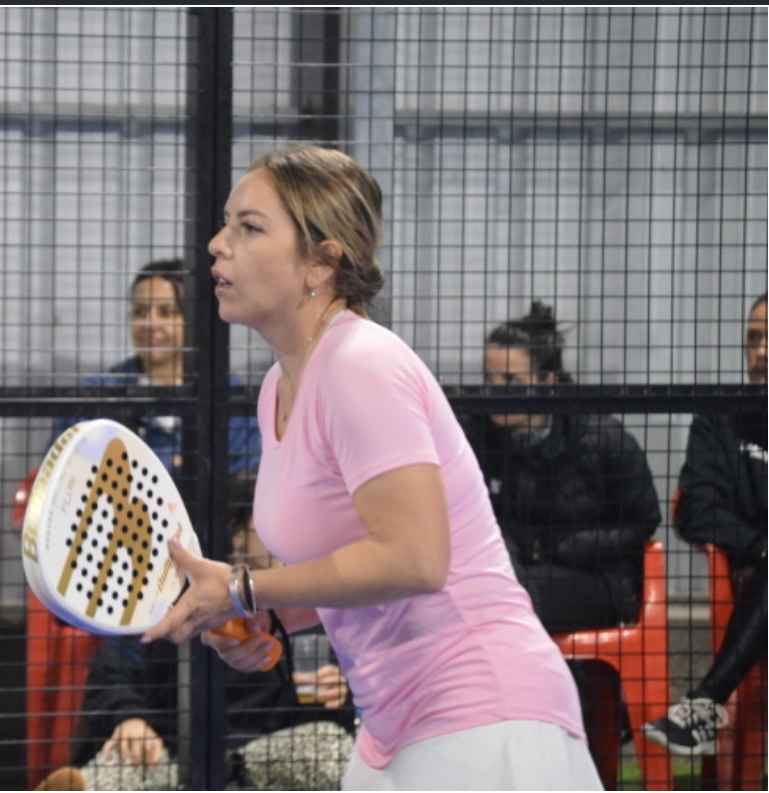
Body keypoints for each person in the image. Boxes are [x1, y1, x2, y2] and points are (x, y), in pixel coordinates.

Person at [142, 144, 602, 790]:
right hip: (394, 725)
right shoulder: (279, 387)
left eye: (249, 227)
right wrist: (269, 618)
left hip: (484, 714)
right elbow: (357, 567)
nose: (218, 244)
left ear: (321, 262)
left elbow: (415, 560)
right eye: (226, 223)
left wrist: (246, 589)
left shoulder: (360, 364)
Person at [73, 470, 355, 791]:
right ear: (236, 532)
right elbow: (112, 668)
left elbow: (340, 717)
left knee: (335, 747)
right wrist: (130, 718)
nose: (289, 534)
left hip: (266, 758)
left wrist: (340, 693)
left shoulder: (315, 604)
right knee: (106, 776)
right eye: (275, 520)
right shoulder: (175, 594)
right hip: (173, 754)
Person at [461, 301, 661, 635]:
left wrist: (557, 546)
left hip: (597, 577)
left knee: (511, 603)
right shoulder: (475, 434)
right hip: (509, 571)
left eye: (511, 380)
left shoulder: (601, 437)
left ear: (548, 382)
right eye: (488, 377)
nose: (495, 390)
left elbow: (642, 521)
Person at [643, 292, 767, 757]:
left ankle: (704, 705)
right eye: (752, 339)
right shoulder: (720, 417)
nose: (760, 352)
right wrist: (759, 547)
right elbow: (695, 509)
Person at [49, 258, 261, 478]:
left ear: (193, 320)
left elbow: (244, 484)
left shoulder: (228, 395)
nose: (150, 323)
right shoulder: (95, 397)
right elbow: (59, 479)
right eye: (140, 311)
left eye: (167, 312)